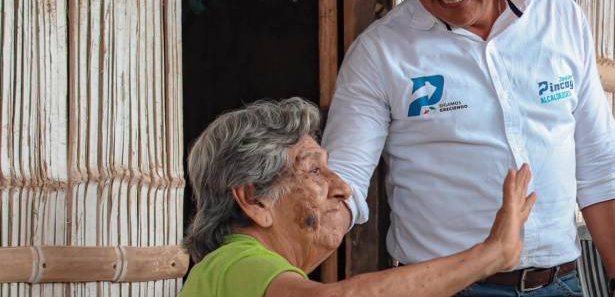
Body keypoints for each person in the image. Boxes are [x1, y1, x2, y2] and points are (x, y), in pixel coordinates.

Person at [322, 0, 615, 297]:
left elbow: (598, 164)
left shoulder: (560, 21)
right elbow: (343, 181)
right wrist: (297, 236)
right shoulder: (380, 53)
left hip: (562, 284)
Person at [180, 97, 536, 297]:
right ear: (254, 199)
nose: (343, 187)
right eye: (315, 171)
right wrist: (491, 254)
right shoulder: (233, 264)